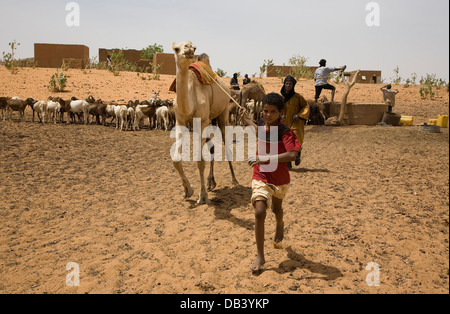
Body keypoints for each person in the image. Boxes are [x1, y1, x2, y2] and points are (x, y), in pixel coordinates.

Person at [240, 93, 301, 272]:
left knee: (276, 209)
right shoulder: (261, 123)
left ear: (281, 112)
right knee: (259, 211)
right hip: (261, 175)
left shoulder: (285, 131)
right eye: (265, 111)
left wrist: (264, 158)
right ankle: (260, 256)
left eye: (272, 112)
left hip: (280, 179)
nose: (267, 115)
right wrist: (246, 120)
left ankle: (280, 223)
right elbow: (257, 128)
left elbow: (292, 155)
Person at [281, 75, 310, 168]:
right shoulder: (281, 97)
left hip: (296, 123)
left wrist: (299, 115)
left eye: (290, 84)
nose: (288, 85)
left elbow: (305, 107)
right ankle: (288, 163)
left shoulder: (298, 97)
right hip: (285, 123)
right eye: (287, 84)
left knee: (296, 140)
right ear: (284, 84)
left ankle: (297, 155)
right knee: (285, 142)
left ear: (293, 85)